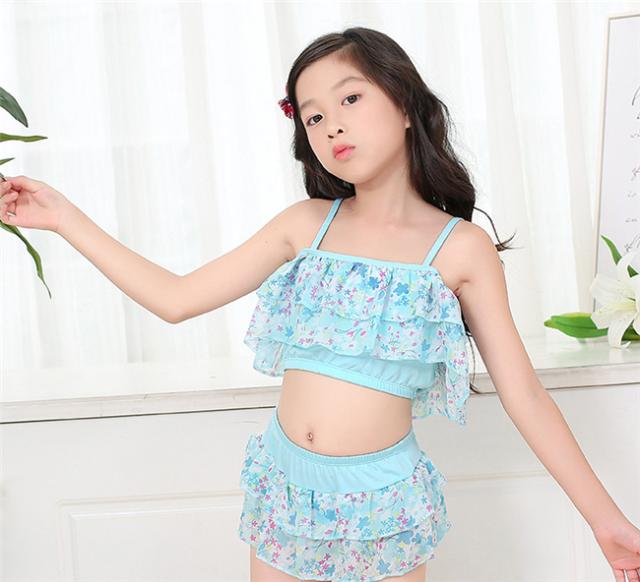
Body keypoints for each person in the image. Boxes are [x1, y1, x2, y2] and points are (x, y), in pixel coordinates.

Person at [2, 25, 639, 582]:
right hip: (284, 487)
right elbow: (175, 298)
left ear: (406, 103)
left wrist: (606, 522)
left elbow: (525, 396)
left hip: (383, 500)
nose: (331, 124)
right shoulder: (306, 225)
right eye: (312, 116)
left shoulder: (460, 249)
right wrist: (63, 217)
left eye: (350, 99)